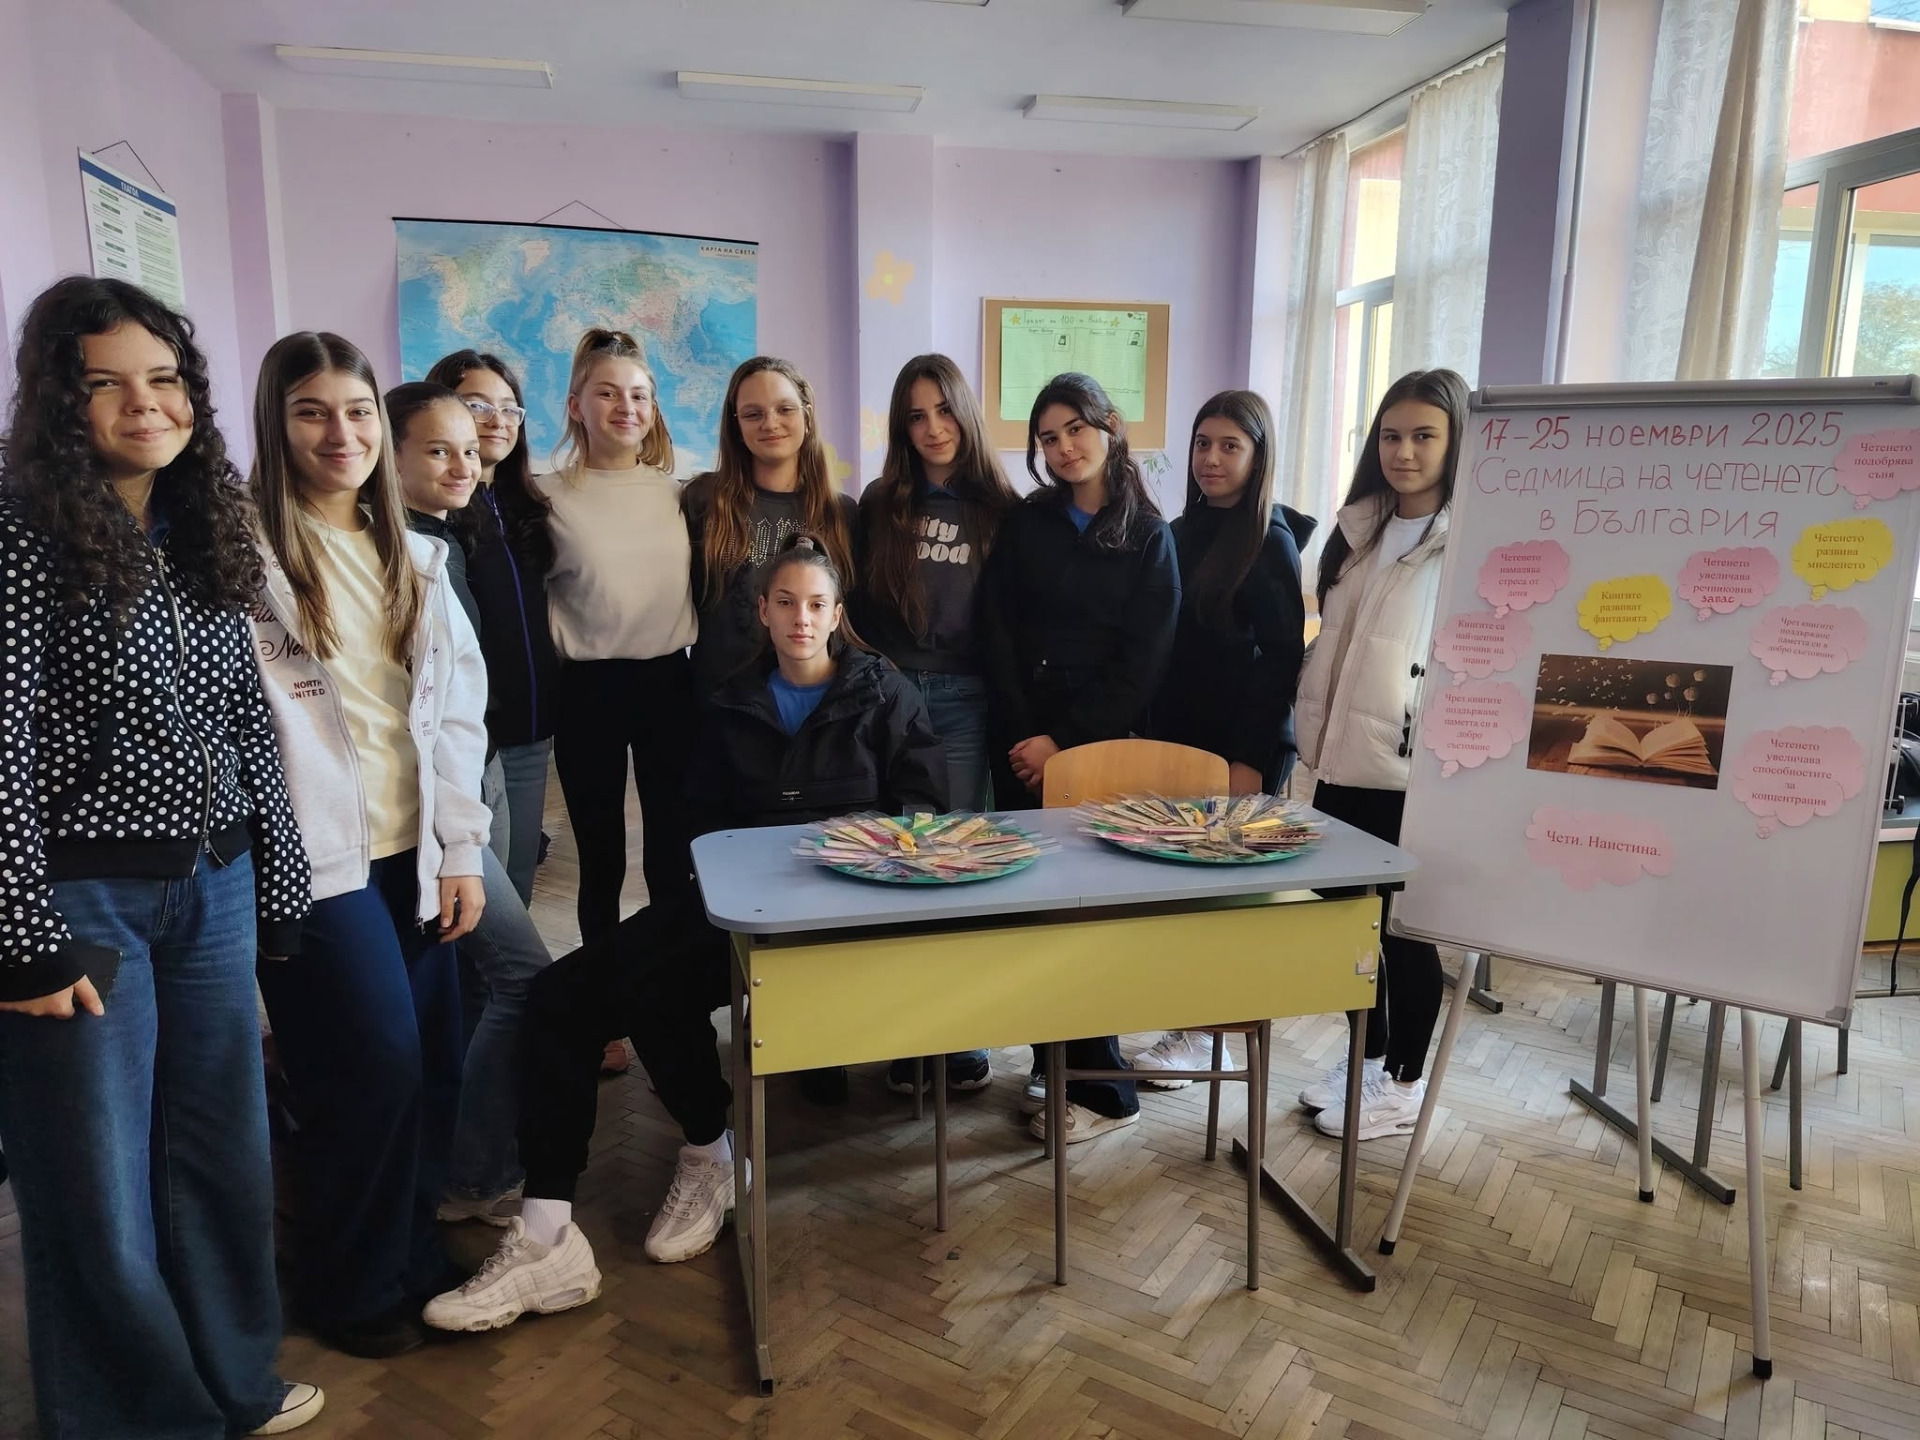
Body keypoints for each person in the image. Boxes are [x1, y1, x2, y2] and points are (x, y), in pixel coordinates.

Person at [422, 534, 945, 1332]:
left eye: (816, 605)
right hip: (735, 913)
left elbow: (926, 813)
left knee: (653, 992)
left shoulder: (887, 695)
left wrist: (849, 849)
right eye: (785, 603)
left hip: (841, 927)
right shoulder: (729, 703)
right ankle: (553, 1230)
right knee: (562, 993)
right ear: (762, 612)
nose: (801, 619)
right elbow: (693, 823)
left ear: (838, 614)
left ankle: (707, 1148)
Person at [0, 276, 323, 1437]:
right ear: (58, 401)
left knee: (221, 1153)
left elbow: (247, 718)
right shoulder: (20, 531)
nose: (146, 404)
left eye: (165, 378)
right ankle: (136, 1416)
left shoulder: (200, 522)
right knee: (95, 1183)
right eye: (107, 384)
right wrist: (20, 935)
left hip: (214, 887)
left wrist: (279, 878)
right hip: (81, 899)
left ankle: (232, 1379)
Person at [249, 333, 491, 1358]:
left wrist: (461, 848)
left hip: (414, 849)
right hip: (316, 862)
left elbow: (455, 713)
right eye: (311, 412)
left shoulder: (415, 554)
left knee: (432, 1062)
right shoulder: (243, 557)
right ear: (277, 424)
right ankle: (348, 1287)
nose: (340, 433)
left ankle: (410, 1255)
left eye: (355, 412)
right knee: (371, 1067)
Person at [977, 372, 1180, 1144]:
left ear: (1110, 426)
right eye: (1048, 437)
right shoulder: (1028, 522)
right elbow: (998, 631)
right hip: (1022, 744)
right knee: (1033, 910)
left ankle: (1104, 1092)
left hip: (1100, 750)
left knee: (1087, 915)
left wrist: (1064, 745)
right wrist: (1027, 739)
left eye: (1075, 430)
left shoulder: (1148, 535)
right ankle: (1048, 1064)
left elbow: (1142, 663)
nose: (1063, 448)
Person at [388, 381, 555, 1228]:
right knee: (522, 973)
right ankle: (477, 1173)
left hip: (477, 770)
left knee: (485, 980)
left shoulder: (452, 534)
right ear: (391, 456)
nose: (462, 464)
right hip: (429, 804)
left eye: (468, 448)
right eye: (437, 450)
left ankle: (467, 1159)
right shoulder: (401, 550)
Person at [1293, 368, 1466, 1141]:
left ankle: (1404, 1082)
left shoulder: (1464, 542)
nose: (1405, 452)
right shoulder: (1356, 530)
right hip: (1336, 761)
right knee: (1349, 928)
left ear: (1455, 443)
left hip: (1405, 774)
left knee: (1403, 931)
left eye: (1425, 436)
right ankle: (1367, 1057)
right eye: (1392, 436)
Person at [1134, 390, 1314, 1088]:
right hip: (1181, 742)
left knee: (1223, 902)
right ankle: (1189, 1028)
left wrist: (1247, 759)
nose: (1211, 459)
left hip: (1240, 749)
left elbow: (1280, 662)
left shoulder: (1269, 540)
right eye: (1202, 443)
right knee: (1181, 895)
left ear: (1258, 456)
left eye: (1229, 446)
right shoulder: (1180, 531)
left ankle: (1211, 1039)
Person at [851, 354, 1018, 1097]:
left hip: (963, 701)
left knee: (954, 866)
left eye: (944, 410)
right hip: (891, 696)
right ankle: (907, 1032)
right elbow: (858, 609)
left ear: (965, 413)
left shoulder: (1001, 509)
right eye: (916, 416)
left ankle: (959, 1036)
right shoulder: (880, 503)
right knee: (893, 860)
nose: (932, 428)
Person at [534, 329, 699, 945]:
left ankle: (667, 984)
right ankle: (600, 990)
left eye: (638, 394)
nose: (625, 406)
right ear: (576, 405)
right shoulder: (544, 497)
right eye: (607, 393)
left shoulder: (681, 494)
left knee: (671, 854)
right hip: (587, 689)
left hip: (669, 682)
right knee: (600, 858)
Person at [424, 351, 561, 905]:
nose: (497, 420)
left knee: (517, 878)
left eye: (509, 408)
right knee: (478, 890)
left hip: (530, 725)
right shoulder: (435, 513)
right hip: (472, 738)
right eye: (477, 405)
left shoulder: (523, 504)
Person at [682, 355, 857, 698]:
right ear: (736, 426)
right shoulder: (702, 500)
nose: (770, 423)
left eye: (784, 409)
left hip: (812, 707)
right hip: (719, 705)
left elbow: (852, 623)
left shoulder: (842, 513)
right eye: (753, 414)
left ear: (807, 416)